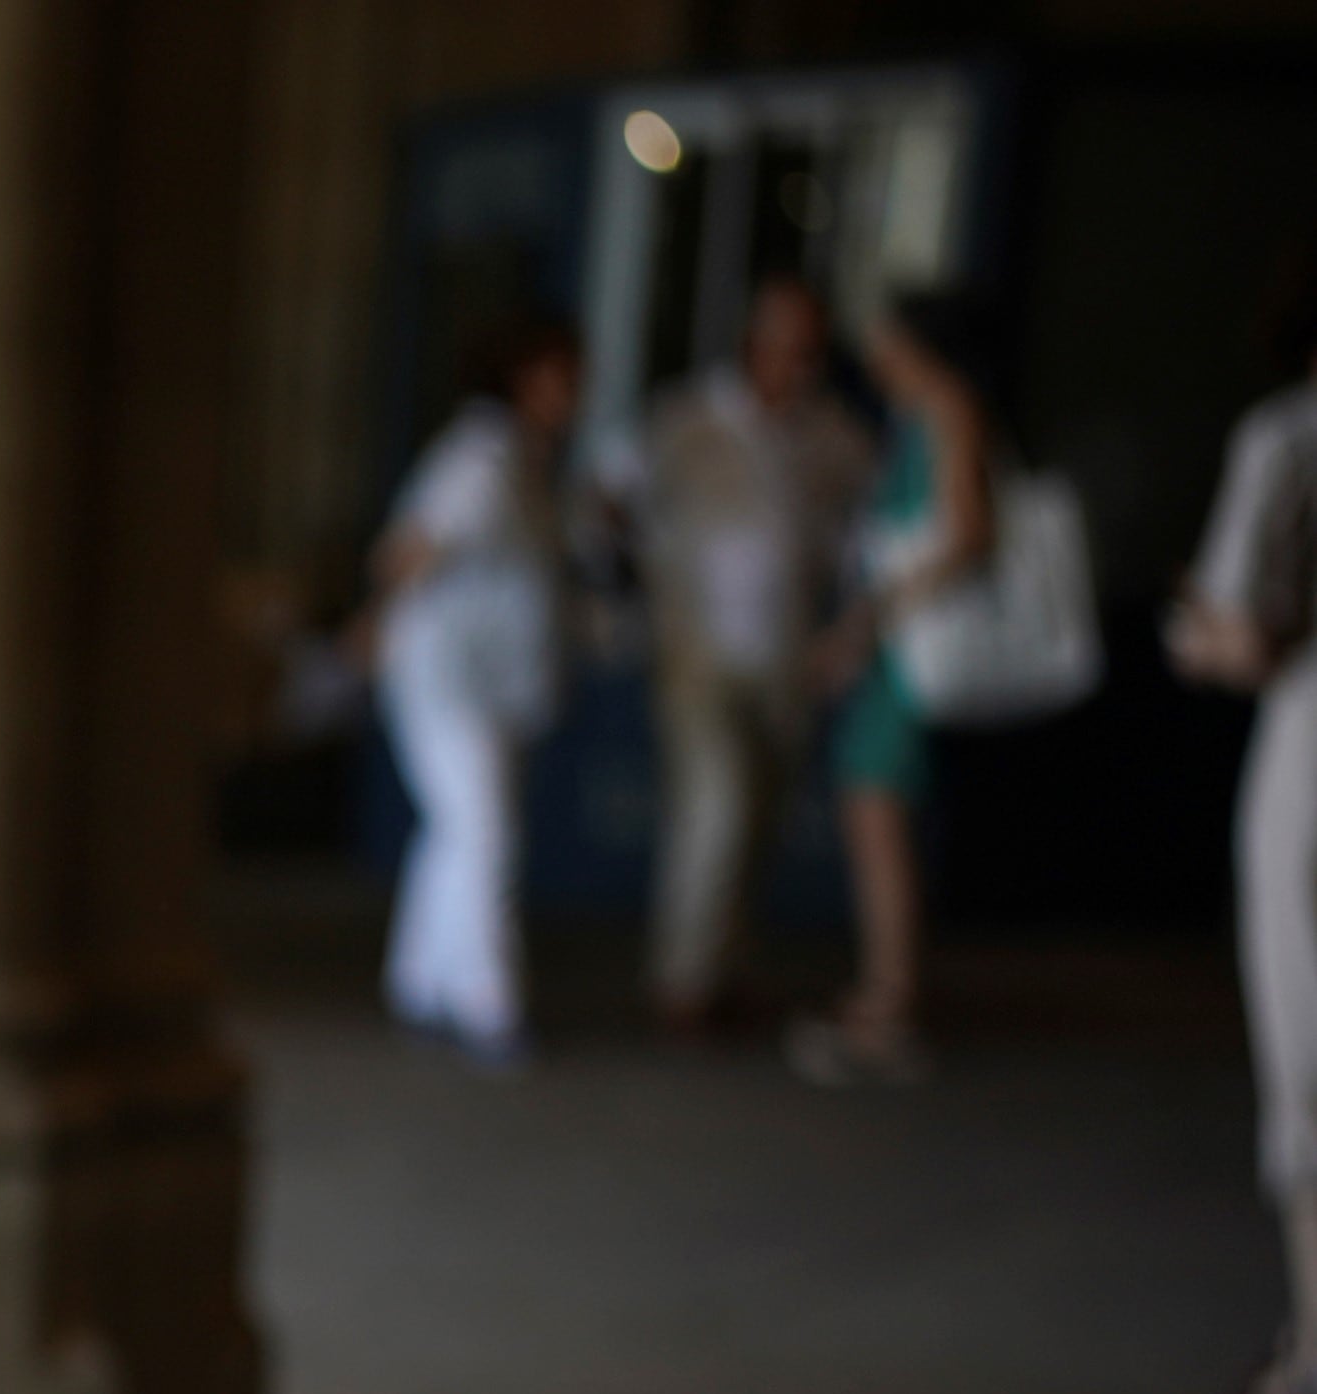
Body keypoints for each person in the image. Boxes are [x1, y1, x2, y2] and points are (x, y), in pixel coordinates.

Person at [628, 275, 876, 1032]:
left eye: (812, 353)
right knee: (718, 809)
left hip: (787, 660)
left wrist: (853, 631)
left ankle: (724, 971)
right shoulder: (686, 420)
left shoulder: (831, 435)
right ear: (751, 345)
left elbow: (871, 535)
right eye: (786, 349)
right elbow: (615, 501)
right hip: (698, 656)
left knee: (759, 821)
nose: (798, 368)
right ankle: (683, 984)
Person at [1169, 255, 1317, 1394]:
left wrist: (1193, 629)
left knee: (1309, 1056)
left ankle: (1315, 1364)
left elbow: (1251, 637)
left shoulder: (1290, 437)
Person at [790, 289, 999, 1089]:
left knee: (879, 816)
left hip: (912, 652)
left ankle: (891, 1005)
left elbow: (966, 533)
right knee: (871, 813)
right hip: (895, 647)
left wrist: (869, 624)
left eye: (886, 340)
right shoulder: (913, 416)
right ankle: (883, 993)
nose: (873, 357)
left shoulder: (947, 407)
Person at [369, 312, 583, 1069]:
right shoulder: (482, 460)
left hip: (486, 683)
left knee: (455, 831)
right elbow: (407, 553)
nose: (575, 391)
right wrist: (370, 627)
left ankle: (423, 983)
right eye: (563, 374)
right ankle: (489, 1004)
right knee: (483, 831)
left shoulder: (522, 459)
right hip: (447, 681)